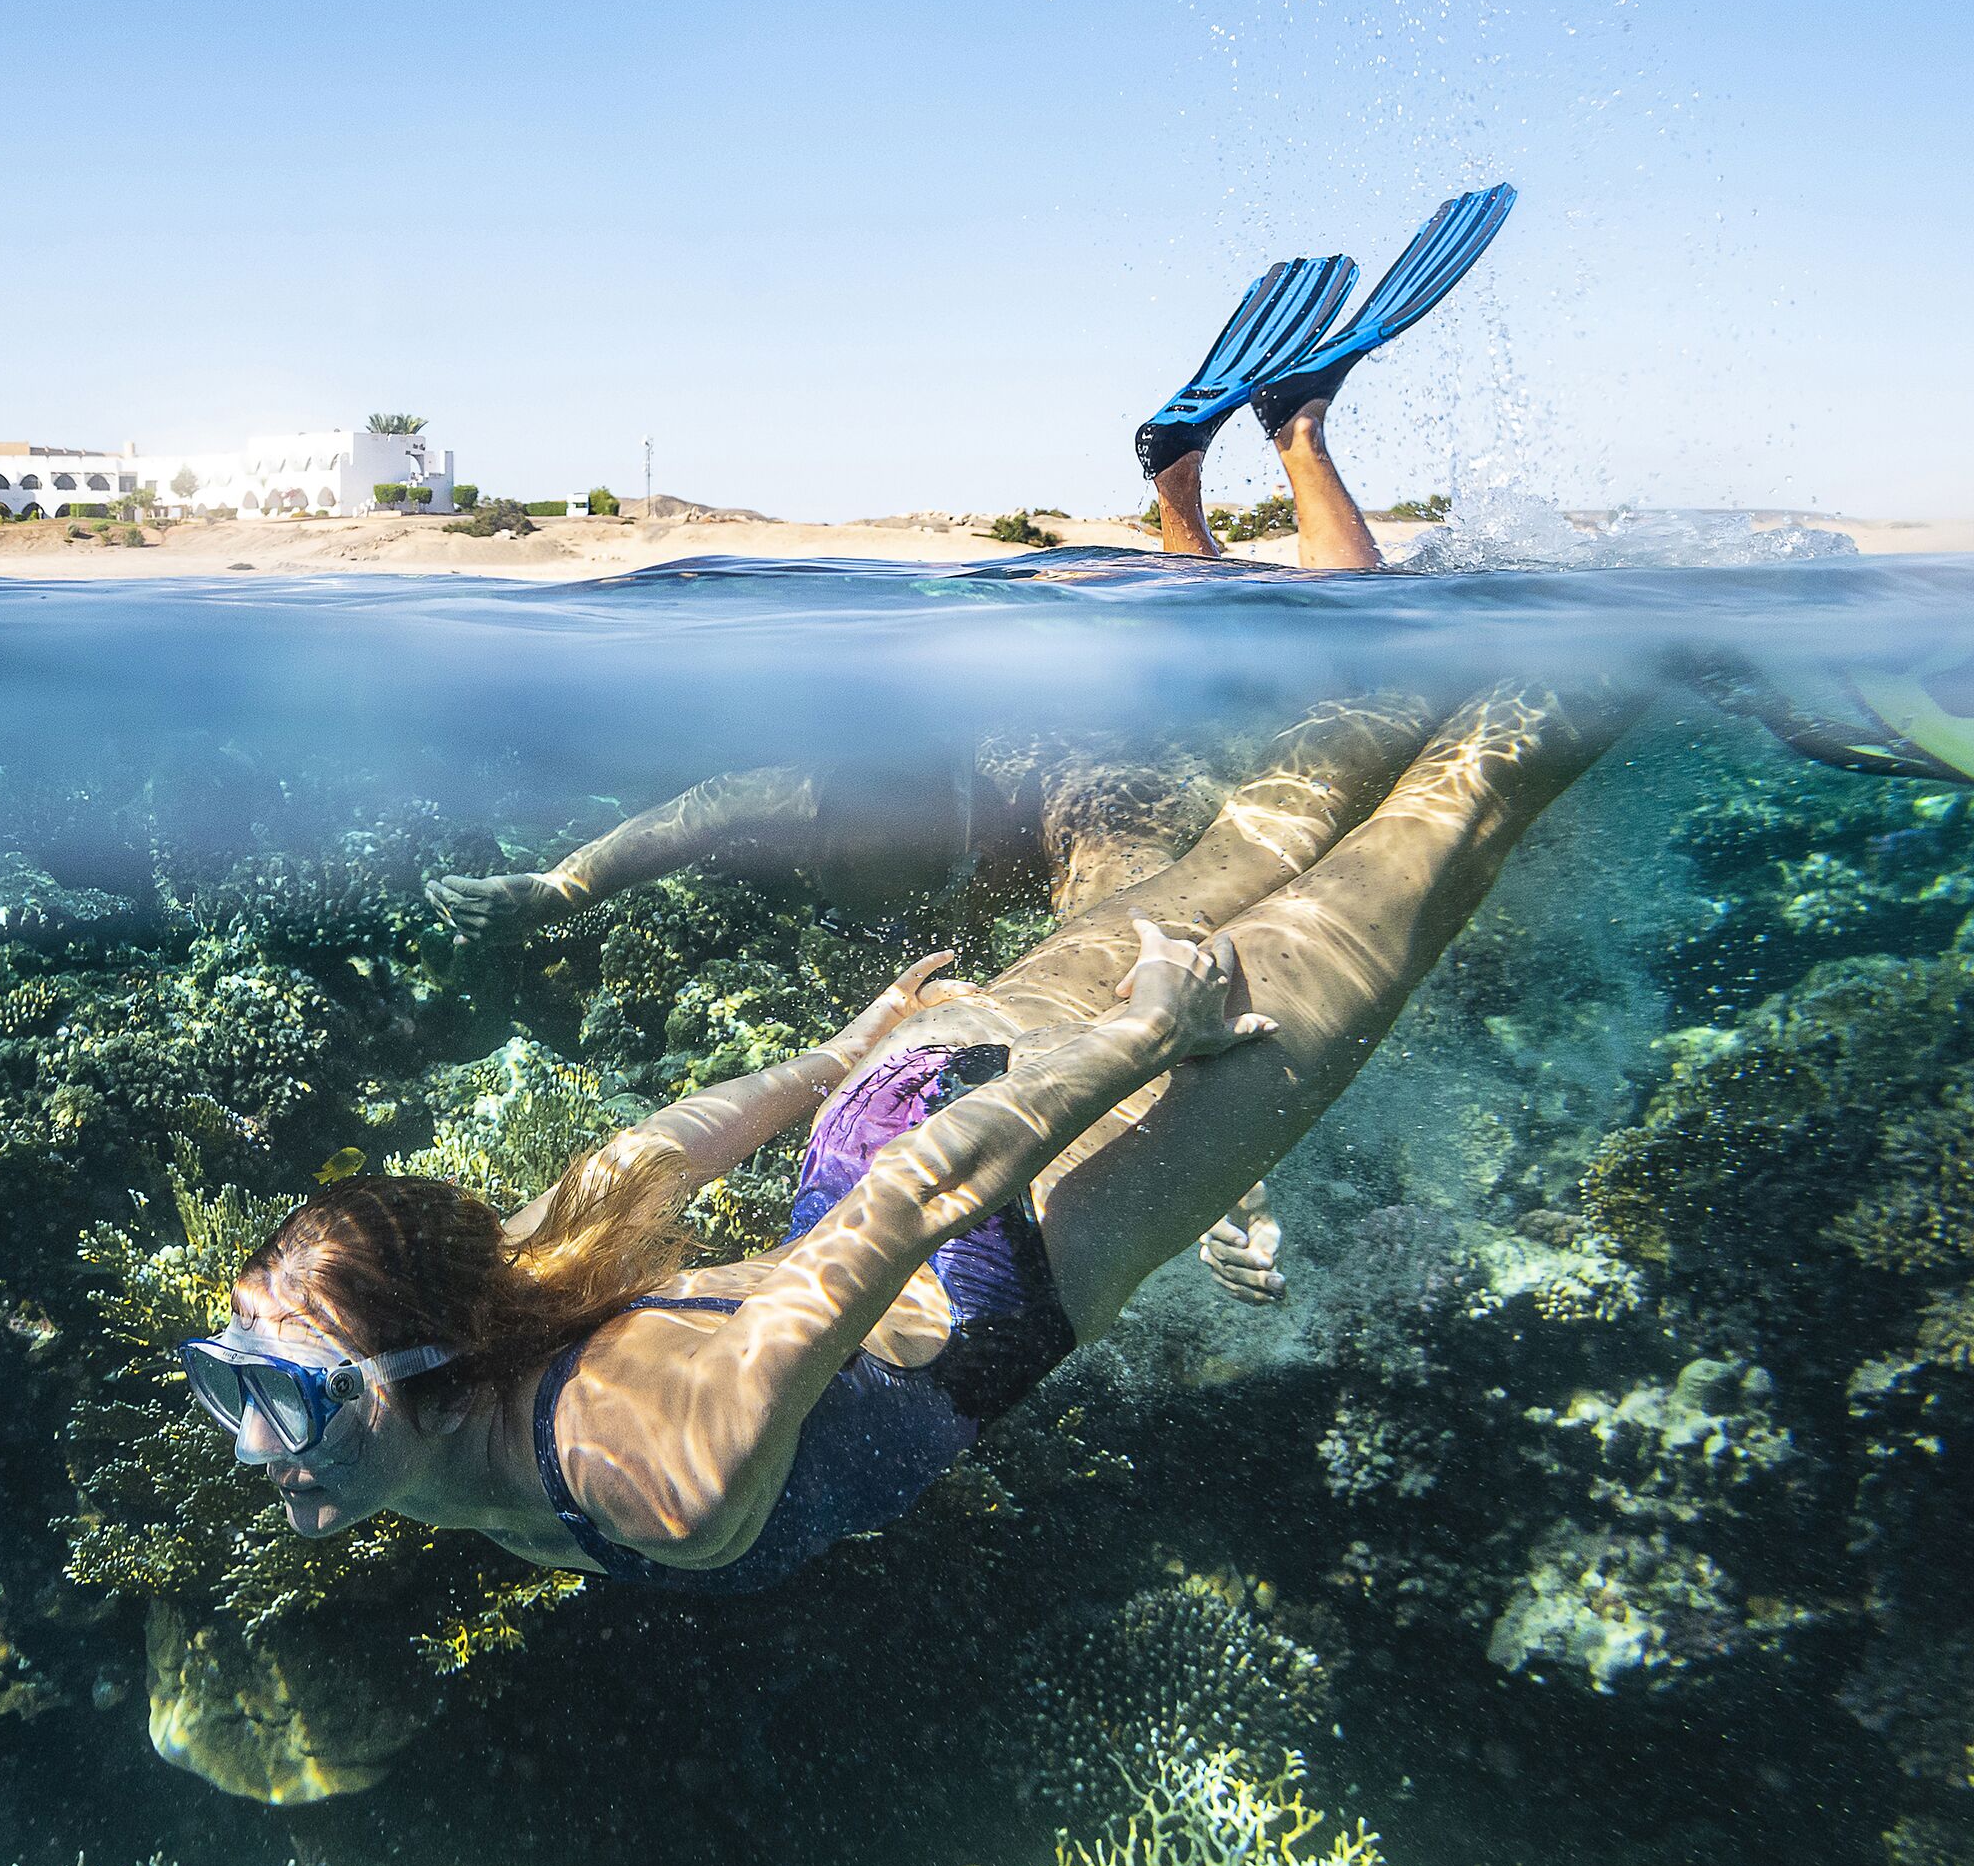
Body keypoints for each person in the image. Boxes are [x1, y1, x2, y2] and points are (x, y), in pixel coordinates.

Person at [191, 669, 1628, 1590]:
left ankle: (1664, 612)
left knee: (1463, 818)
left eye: (291, 1397)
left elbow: (911, 1215)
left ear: (432, 1370)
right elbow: (647, 1160)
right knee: (1258, 844)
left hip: (1003, 1209)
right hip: (908, 1104)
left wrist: (1144, 1040)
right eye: (234, 1380)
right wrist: (840, 1055)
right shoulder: (492, 1321)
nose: (256, 1444)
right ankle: (1460, 625)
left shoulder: (655, 1479)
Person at [423, 190, 1519, 946]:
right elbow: (696, 814)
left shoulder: (1077, 804)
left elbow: (1139, 939)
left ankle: (1295, 431)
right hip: (1106, 612)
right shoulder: (834, 787)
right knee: (1229, 615)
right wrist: (557, 891)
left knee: (1356, 653)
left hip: (1157, 691)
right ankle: (1178, 479)